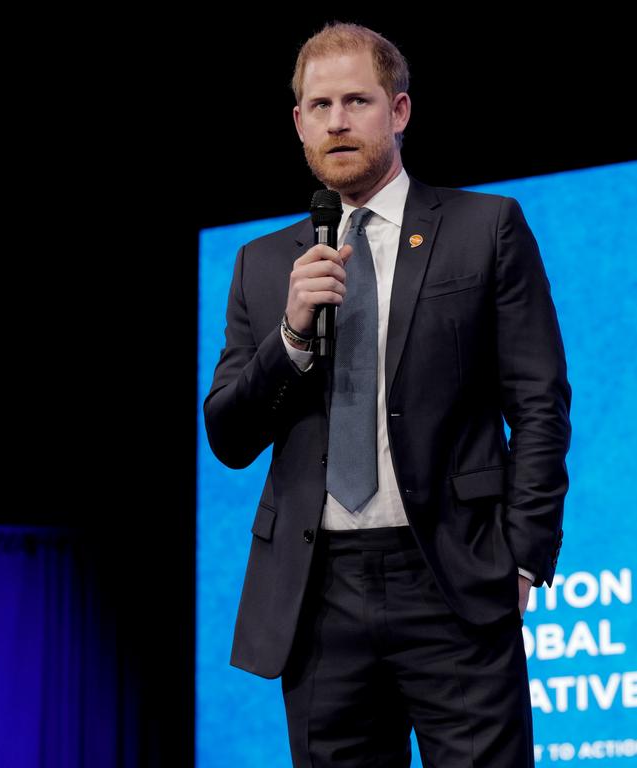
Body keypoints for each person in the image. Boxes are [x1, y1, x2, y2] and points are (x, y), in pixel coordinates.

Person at [203, 21, 571, 767]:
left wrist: (523, 557)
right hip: (317, 592)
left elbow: (538, 402)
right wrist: (292, 337)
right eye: (320, 106)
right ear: (299, 123)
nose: (338, 121)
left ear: (398, 112)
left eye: (357, 101)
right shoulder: (265, 263)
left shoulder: (484, 228)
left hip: (452, 576)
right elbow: (228, 435)